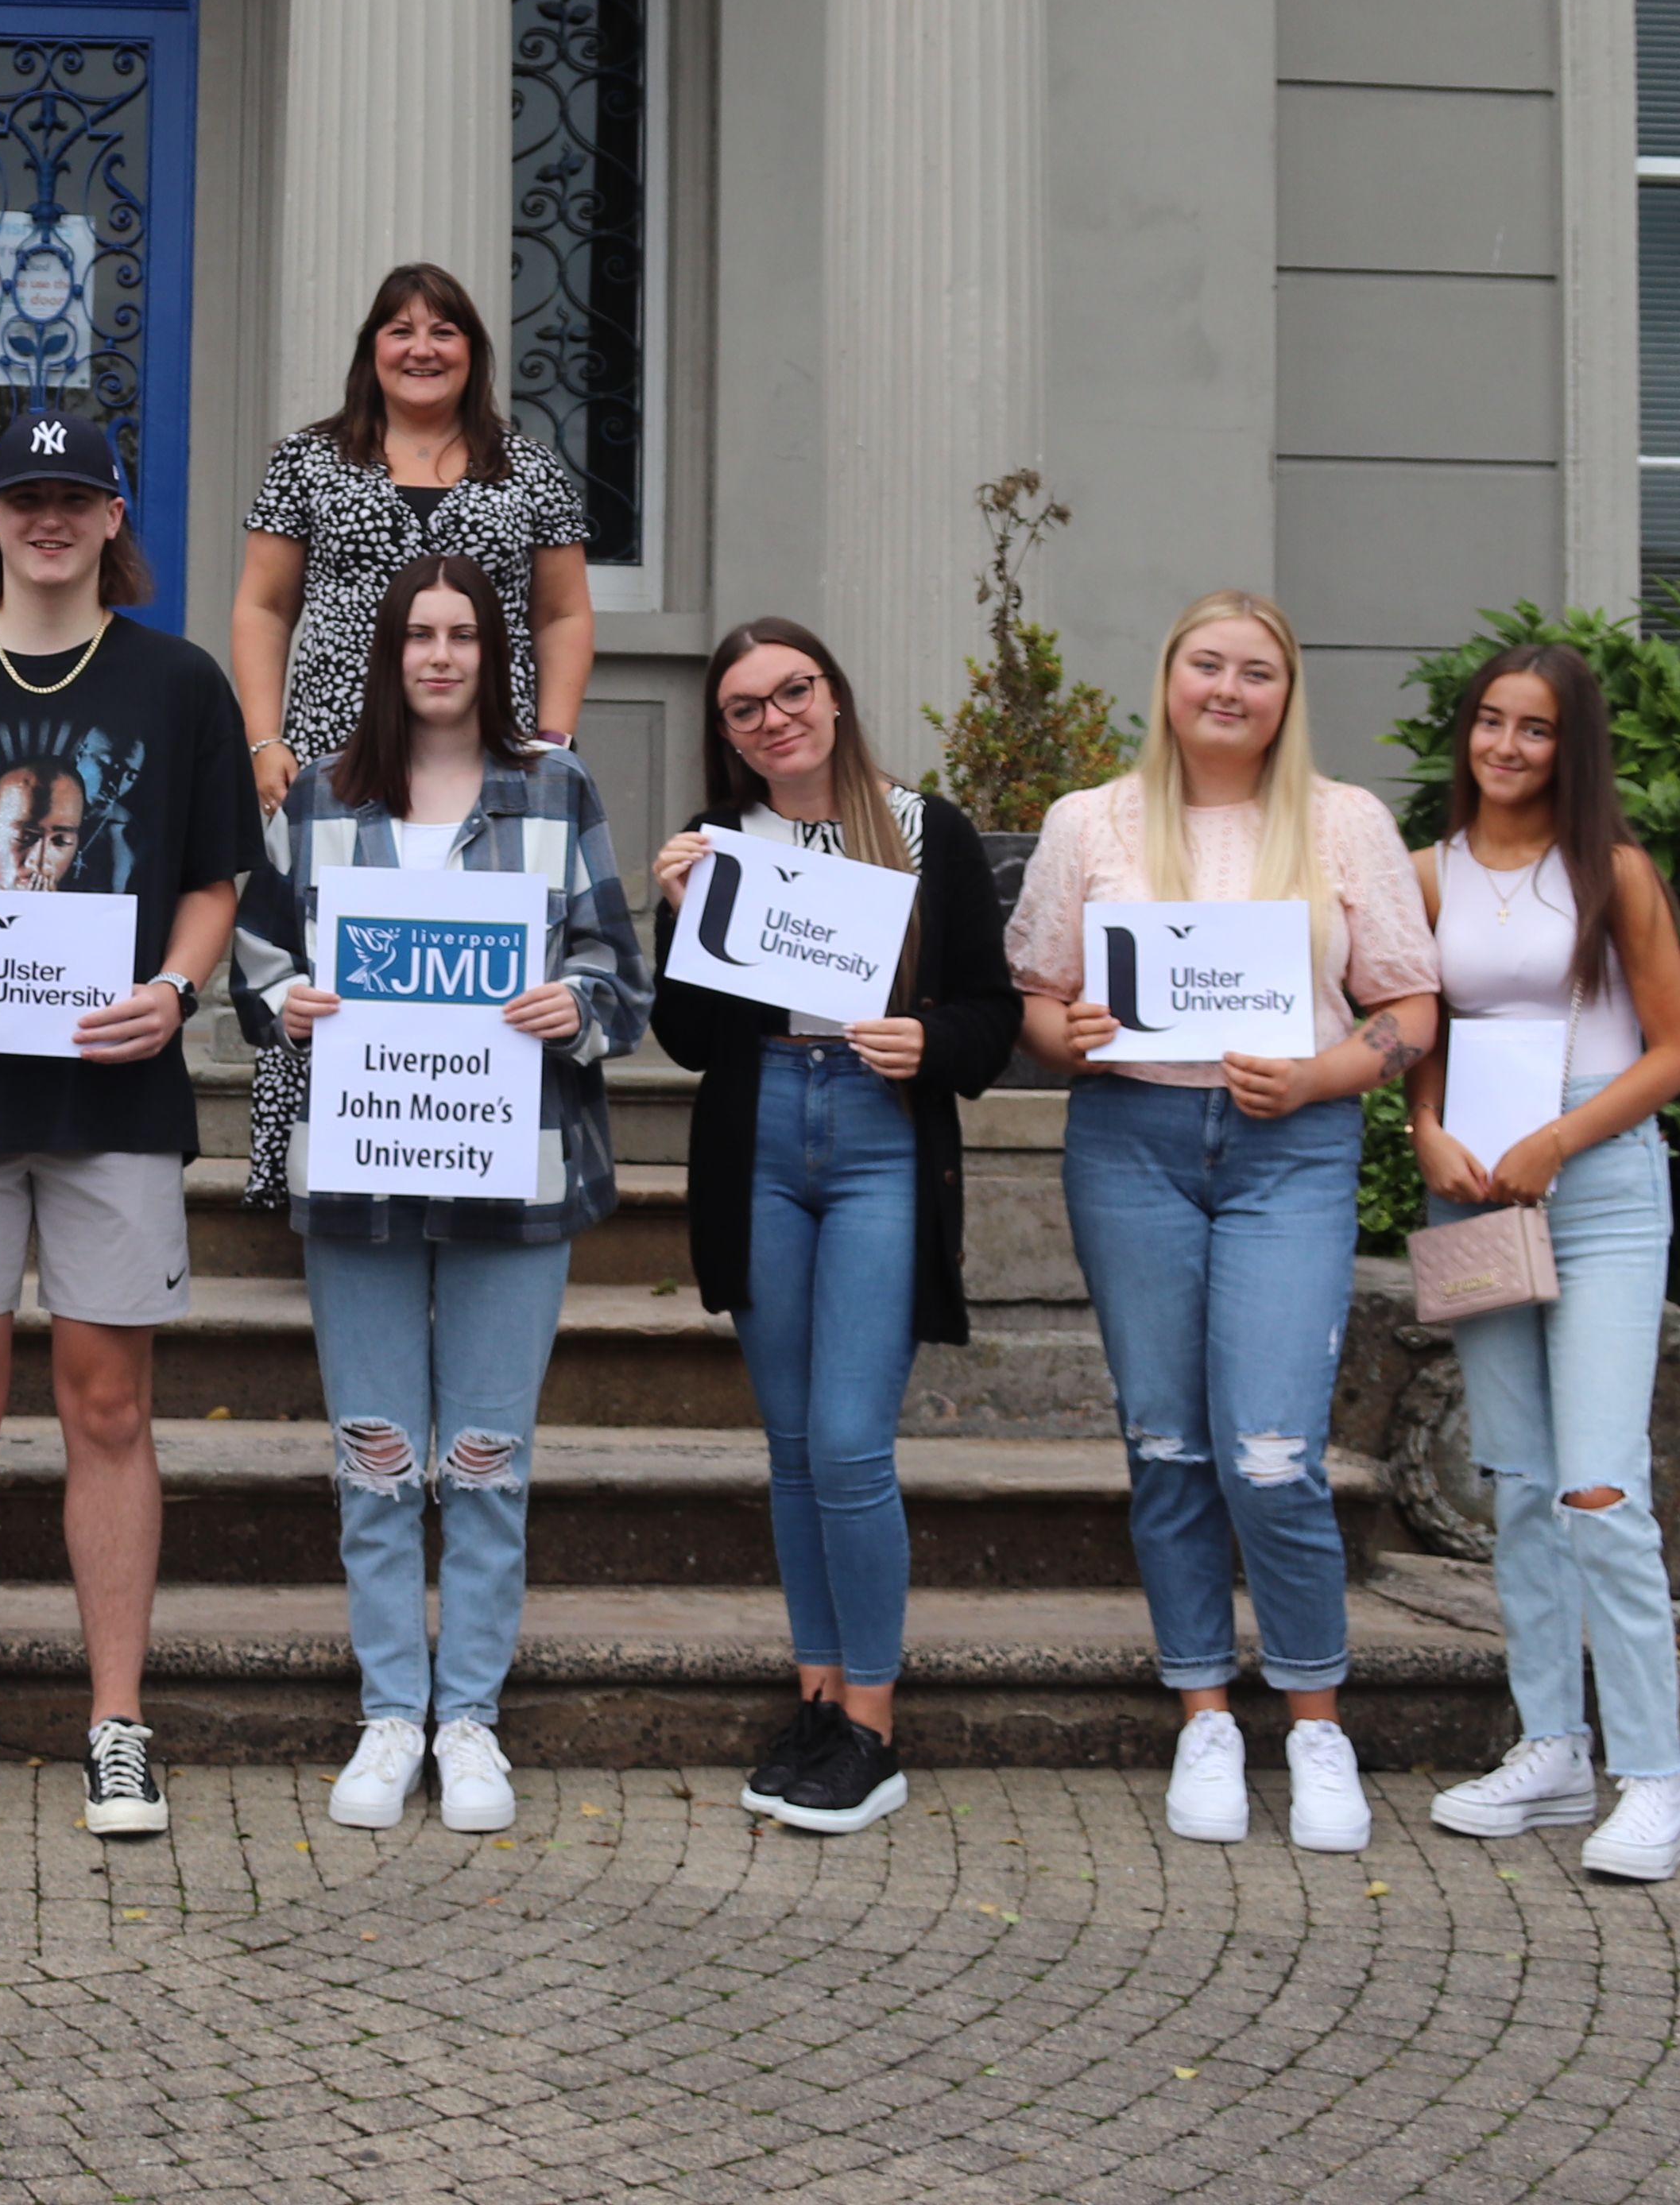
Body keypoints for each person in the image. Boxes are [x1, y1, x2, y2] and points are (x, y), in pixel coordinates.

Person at [0, 409, 255, 1841]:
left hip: (114, 1084)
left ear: (116, 515)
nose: (53, 519)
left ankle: (117, 1722)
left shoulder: (181, 683)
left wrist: (179, 989)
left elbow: (212, 878)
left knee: (110, 1408)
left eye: (78, 496)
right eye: (29, 498)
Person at [1008, 590, 1441, 1854]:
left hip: (1288, 1149)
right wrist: (1069, 1036)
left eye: (1258, 671)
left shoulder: (1346, 821)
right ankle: (1202, 1709)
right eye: (1208, 664)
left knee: (1271, 1452)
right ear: (1169, 678)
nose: (1230, 689)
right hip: (1133, 1144)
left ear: (1285, 696)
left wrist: (1320, 1074)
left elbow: (1410, 1009)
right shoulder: (1090, 822)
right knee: (1170, 1447)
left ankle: (1315, 1723)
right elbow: (1037, 997)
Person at [230, 556, 643, 1834]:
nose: (442, 655)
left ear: (494, 651)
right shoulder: (319, 797)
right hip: (360, 1168)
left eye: (464, 633)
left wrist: (578, 1006)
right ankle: (386, 1713)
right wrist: (283, 1002)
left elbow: (621, 977)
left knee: (487, 1459)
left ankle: (469, 1717)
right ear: (388, 651)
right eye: (421, 633)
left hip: (509, 1171)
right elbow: (253, 970)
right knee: (376, 1455)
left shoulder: (554, 786)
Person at [646, 620, 1009, 1836]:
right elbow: (690, 1043)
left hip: (875, 1136)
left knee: (852, 1443)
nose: (774, 719)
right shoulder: (720, 849)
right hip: (762, 1134)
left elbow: (991, 1020)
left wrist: (931, 1042)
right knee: (794, 1444)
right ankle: (815, 1693)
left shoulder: (924, 831)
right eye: (745, 709)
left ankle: (871, 1723)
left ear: (836, 697)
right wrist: (682, 922)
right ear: (728, 736)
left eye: (791, 691)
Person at [1405, 644, 1680, 1884]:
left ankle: (1655, 1782)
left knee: (1599, 1489)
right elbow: (1422, 1033)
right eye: (1491, 723)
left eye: (1535, 730)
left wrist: (1560, 1139)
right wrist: (1427, 1129)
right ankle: (1551, 1749)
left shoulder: (1615, 874)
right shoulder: (1428, 875)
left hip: (1600, 1184)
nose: (1508, 748)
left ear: (1570, 747)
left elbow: (1676, 1050)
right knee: (1518, 1481)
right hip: (1472, 1179)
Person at [228, 265, 595, 1217]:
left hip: (489, 760)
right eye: (399, 329)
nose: (421, 348)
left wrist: (550, 739)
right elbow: (264, 606)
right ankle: (325, 1163)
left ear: (473, 351)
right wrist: (266, 738)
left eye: (443, 331)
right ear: (371, 349)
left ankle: (468, 1147)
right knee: (331, 960)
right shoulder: (308, 461)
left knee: (467, 951)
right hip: (336, 754)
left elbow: (562, 615)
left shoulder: (530, 468)